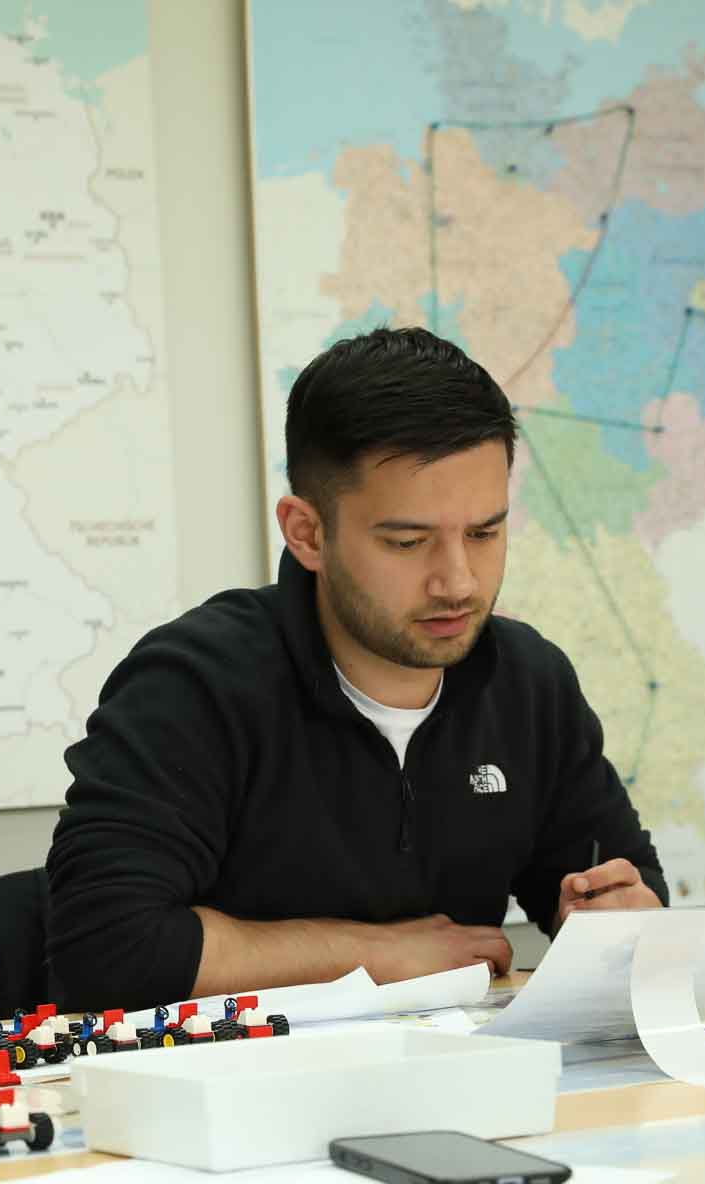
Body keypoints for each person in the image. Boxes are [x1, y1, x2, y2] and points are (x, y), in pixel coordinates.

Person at [45, 326, 664, 1008]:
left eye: (485, 533)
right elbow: (103, 946)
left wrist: (617, 918)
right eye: (408, 541)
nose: (458, 581)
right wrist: (376, 954)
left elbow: (624, 885)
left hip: (457, 1081)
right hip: (233, 1089)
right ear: (307, 532)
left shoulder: (530, 684)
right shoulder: (193, 684)